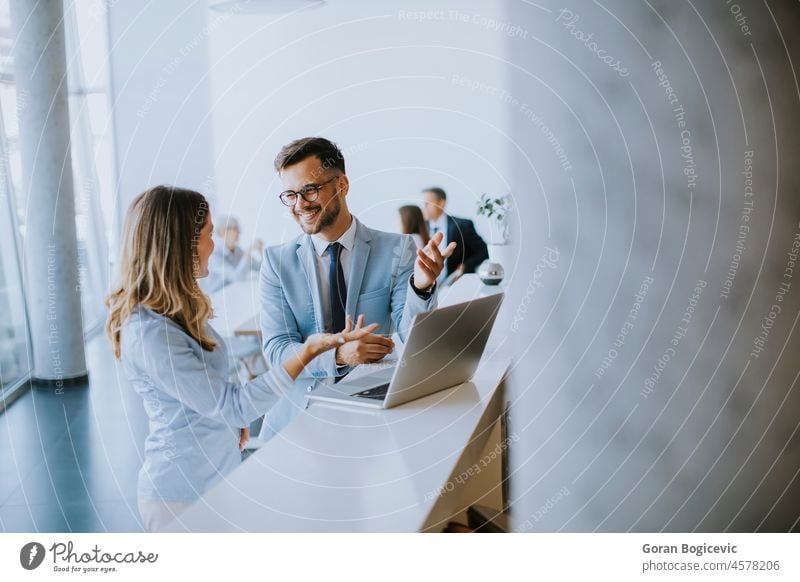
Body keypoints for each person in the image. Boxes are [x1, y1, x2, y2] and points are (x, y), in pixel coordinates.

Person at [105, 185, 377, 532]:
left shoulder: (175, 312)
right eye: (207, 235)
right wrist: (307, 351)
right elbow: (232, 405)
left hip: (216, 478)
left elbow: (211, 395)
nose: (213, 245)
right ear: (180, 244)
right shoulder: (149, 333)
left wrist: (229, 418)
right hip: (181, 496)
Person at [258, 137, 456, 440]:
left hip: (372, 411)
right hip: (298, 419)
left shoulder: (396, 248)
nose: (300, 205)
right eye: (290, 194)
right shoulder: (276, 263)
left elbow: (410, 335)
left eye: (309, 190)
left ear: (342, 185)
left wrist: (422, 286)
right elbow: (276, 351)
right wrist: (338, 355)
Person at [421, 187, 489, 282]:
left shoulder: (462, 226)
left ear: (441, 203)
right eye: (422, 204)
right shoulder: (420, 229)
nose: (423, 207)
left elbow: (483, 251)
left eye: (427, 203)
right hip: (427, 286)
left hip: (454, 285)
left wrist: (465, 266)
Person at [200, 215, 263, 293]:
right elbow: (237, 277)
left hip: (232, 293)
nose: (239, 232)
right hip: (215, 297)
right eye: (235, 228)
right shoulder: (213, 254)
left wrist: (260, 251)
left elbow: (261, 268)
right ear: (223, 231)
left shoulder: (237, 250)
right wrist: (248, 252)